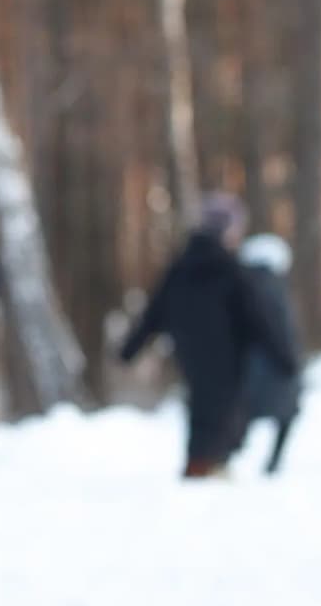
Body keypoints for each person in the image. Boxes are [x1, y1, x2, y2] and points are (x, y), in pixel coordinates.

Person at [118, 193, 296, 479]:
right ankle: (208, 464)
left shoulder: (180, 267)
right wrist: (284, 358)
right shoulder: (232, 270)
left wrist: (130, 348)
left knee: (201, 402)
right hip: (227, 354)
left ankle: (202, 462)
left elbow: (155, 312)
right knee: (224, 405)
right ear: (228, 229)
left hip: (189, 351)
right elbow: (259, 319)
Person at [233, 233, 303, 476]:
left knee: (249, 413)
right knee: (284, 412)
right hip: (272, 364)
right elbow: (280, 327)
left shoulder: (242, 285)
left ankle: (239, 454)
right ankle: (266, 459)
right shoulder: (271, 286)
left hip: (250, 364)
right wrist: (290, 360)